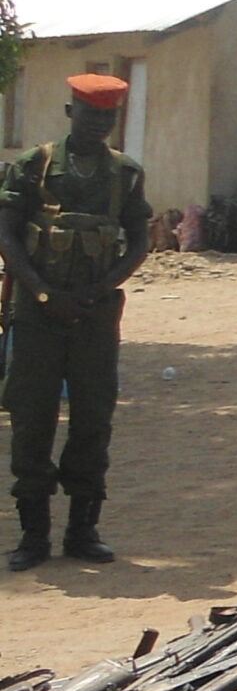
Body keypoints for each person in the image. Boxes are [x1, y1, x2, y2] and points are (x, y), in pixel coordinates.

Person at [0, 74, 153, 570]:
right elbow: (7, 236)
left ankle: (83, 531)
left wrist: (99, 287)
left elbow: (138, 241)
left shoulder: (125, 175)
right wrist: (44, 292)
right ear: (71, 113)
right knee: (31, 421)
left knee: (92, 421)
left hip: (94, 317)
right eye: (89, 115)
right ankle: (34, 536)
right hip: (39, 317)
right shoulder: (34, 168)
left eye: (107, 117)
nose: (97, 125)